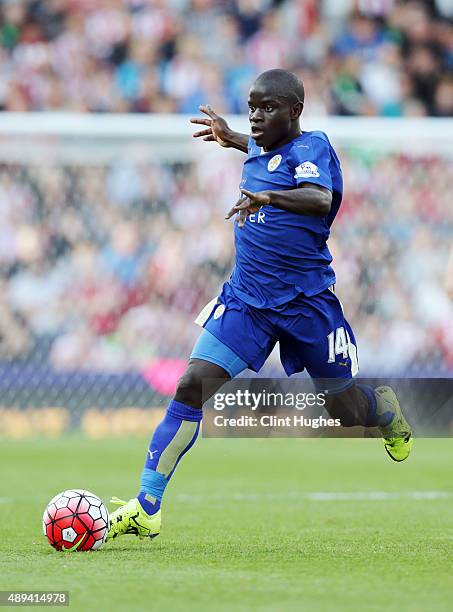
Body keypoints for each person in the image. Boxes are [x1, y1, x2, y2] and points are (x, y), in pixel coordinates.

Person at [107, 69, 412, 541]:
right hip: (246, 301)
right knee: (191, 385)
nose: (255, 116)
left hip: (307, 305)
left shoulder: (313, 146)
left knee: (344, 412)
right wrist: (231, 139)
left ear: (295, 111)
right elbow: (261, 155)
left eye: (267, 107)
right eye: (251, 107)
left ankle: (384, 410)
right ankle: (147, 505)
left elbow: (318, 197)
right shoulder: (258, 148)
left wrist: (268, 197)